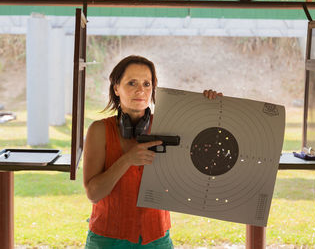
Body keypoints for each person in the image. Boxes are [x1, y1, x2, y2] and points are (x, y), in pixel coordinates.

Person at [83, 55, 223, 249]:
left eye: (147, 84)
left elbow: (210, 143)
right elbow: (93, 193)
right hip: (107, 239)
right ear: (116, 88)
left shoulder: (167, 126)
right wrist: (127, 160)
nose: (141, 90)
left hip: (157, 238)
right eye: (132, 83)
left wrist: (212, 106)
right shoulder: (99, 130)